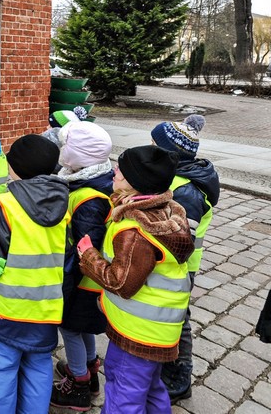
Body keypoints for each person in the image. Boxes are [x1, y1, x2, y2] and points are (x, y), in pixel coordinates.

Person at [0, 134, 71, 414]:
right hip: (45, 311)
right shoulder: (64, 205)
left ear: (18, 167)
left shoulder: (5, 205)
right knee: (38, 369)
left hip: (5, 314)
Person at [79, 145, 192, 414]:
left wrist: (88, 256)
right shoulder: (167, 211)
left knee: (123, 392)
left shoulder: (136, 231)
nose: (114, 172)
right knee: (151, 387)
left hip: (139, 333)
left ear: (136, 184)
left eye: (121, 170)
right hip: (157, 330)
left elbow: (122, 283)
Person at [150, 115, 220, 402]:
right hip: (167, 263)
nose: (149, 147)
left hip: (179, 267)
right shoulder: (174, 176)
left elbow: (179, 241)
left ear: (170, 152)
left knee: (178, 318)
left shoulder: (187, 191)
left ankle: (179, 375)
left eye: (154, 144)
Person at [50, 121, 114, 411]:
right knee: (82, 327)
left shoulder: (89, 199)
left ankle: (78, 385)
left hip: (81, 279)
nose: (63, 151)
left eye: (67, 147)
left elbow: (86, 245)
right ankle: (90, 371)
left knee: (71, 328)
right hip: (84, 279)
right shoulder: (88, 180)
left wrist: (66, 281)